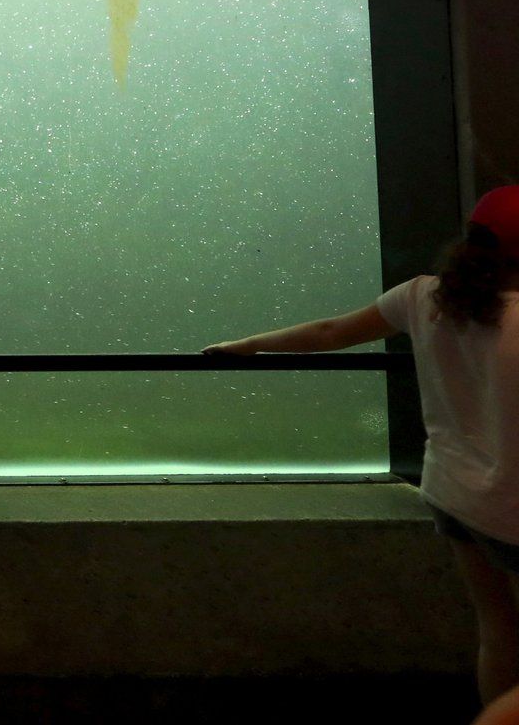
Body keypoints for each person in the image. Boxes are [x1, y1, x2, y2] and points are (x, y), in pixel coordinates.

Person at [206, 185, 519, 725]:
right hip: (514, 506)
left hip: (454, 496)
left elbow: (331, 332)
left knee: (496, 630)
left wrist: (250, 343)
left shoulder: (423, 296)